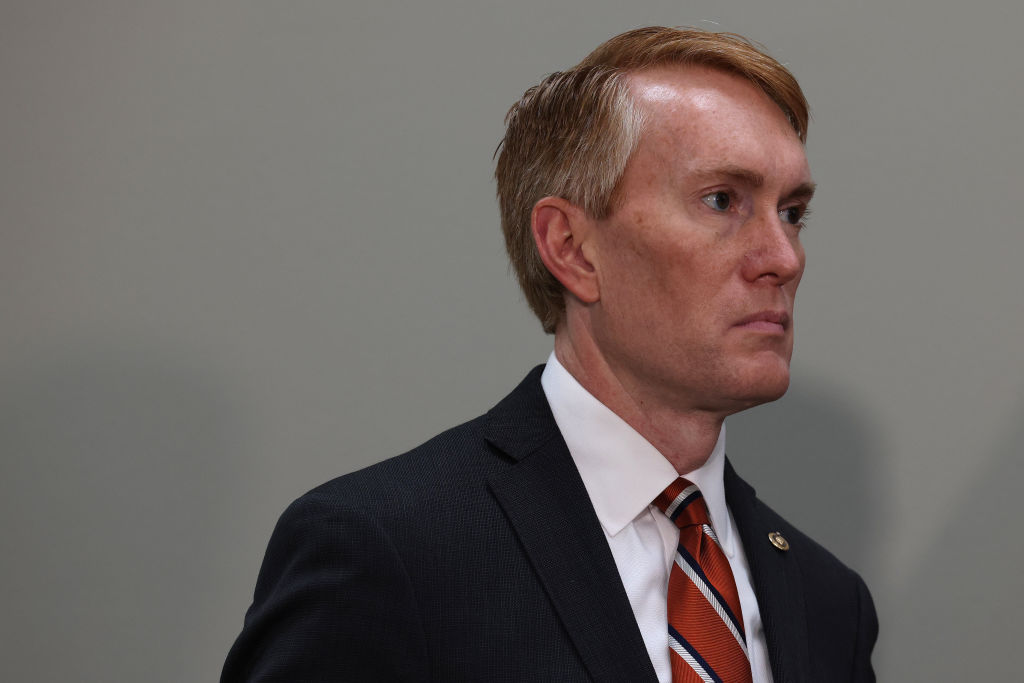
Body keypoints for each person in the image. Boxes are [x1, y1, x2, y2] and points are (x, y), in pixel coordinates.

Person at [222, 26, 877, 682]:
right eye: (722, 201)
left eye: (792, 212)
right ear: (571, 248)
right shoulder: (385, 549)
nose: (784, 258)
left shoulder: (828, 602)